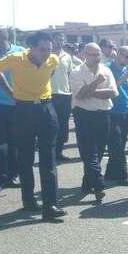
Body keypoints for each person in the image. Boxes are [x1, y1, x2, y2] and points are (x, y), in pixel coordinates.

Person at [0, 31, 65, 220]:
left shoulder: (53, 60)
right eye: (42, 49)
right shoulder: (16, 58)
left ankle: (50, 205)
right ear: (31, 47)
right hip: (23, 109)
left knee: (48, 158)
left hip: (46, 108)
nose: (47, 53)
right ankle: (28, 200)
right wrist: (9, 91)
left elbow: (50, 72)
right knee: (25, 157)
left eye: (49, 49)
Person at [69, 43, 117, 204]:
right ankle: (98, 185)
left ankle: (87, 183)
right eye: (92, 55)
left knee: (99, 151)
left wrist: (90, 91)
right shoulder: (77, 72)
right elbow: (80, 95)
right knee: (89, 153)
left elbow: (112, 92)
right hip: (84, 115)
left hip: (103, 114)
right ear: (85, 55)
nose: (96, 58)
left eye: (98, 54)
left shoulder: (106, 70)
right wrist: (95, 83)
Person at [0, 27, 23, 195]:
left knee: (16, 141)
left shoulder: (21, 51)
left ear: (5, 36)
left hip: (18, 103)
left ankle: (13, 175)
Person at [105, 46, 128, 186]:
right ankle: (123, 175)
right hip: (112, 111)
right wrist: (123, 79)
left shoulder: (125, 69)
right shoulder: (108, 68)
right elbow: (110, 89)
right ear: (118, 53)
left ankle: (110, 174)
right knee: (116, 144)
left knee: (119, 145)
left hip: (125, 110)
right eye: (126, 56)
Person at [50, 33, 75, 163]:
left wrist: (72, 91)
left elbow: (70, 74)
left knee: (63, 125)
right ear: (52, 40)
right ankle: (50, 153)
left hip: (65, 95)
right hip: (49, 94)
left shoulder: (67, 56)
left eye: (62, 40)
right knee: (51, 125)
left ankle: (59, 152)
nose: (59, 42)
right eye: (57, 39)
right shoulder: (46, 54)